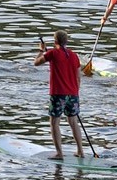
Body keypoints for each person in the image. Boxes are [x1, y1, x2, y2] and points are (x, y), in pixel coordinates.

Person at [33, 30, 85, 159]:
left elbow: (36, 63)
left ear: (55, 41)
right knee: (73, 122)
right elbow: (78, 77)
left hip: (58, 93)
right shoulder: (74, 55)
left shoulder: (53, 53)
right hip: (73, 93)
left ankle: (59, 153)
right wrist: (75, 93)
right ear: (66, 41)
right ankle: (80, 151)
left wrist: (41, 50)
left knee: (54, 122)